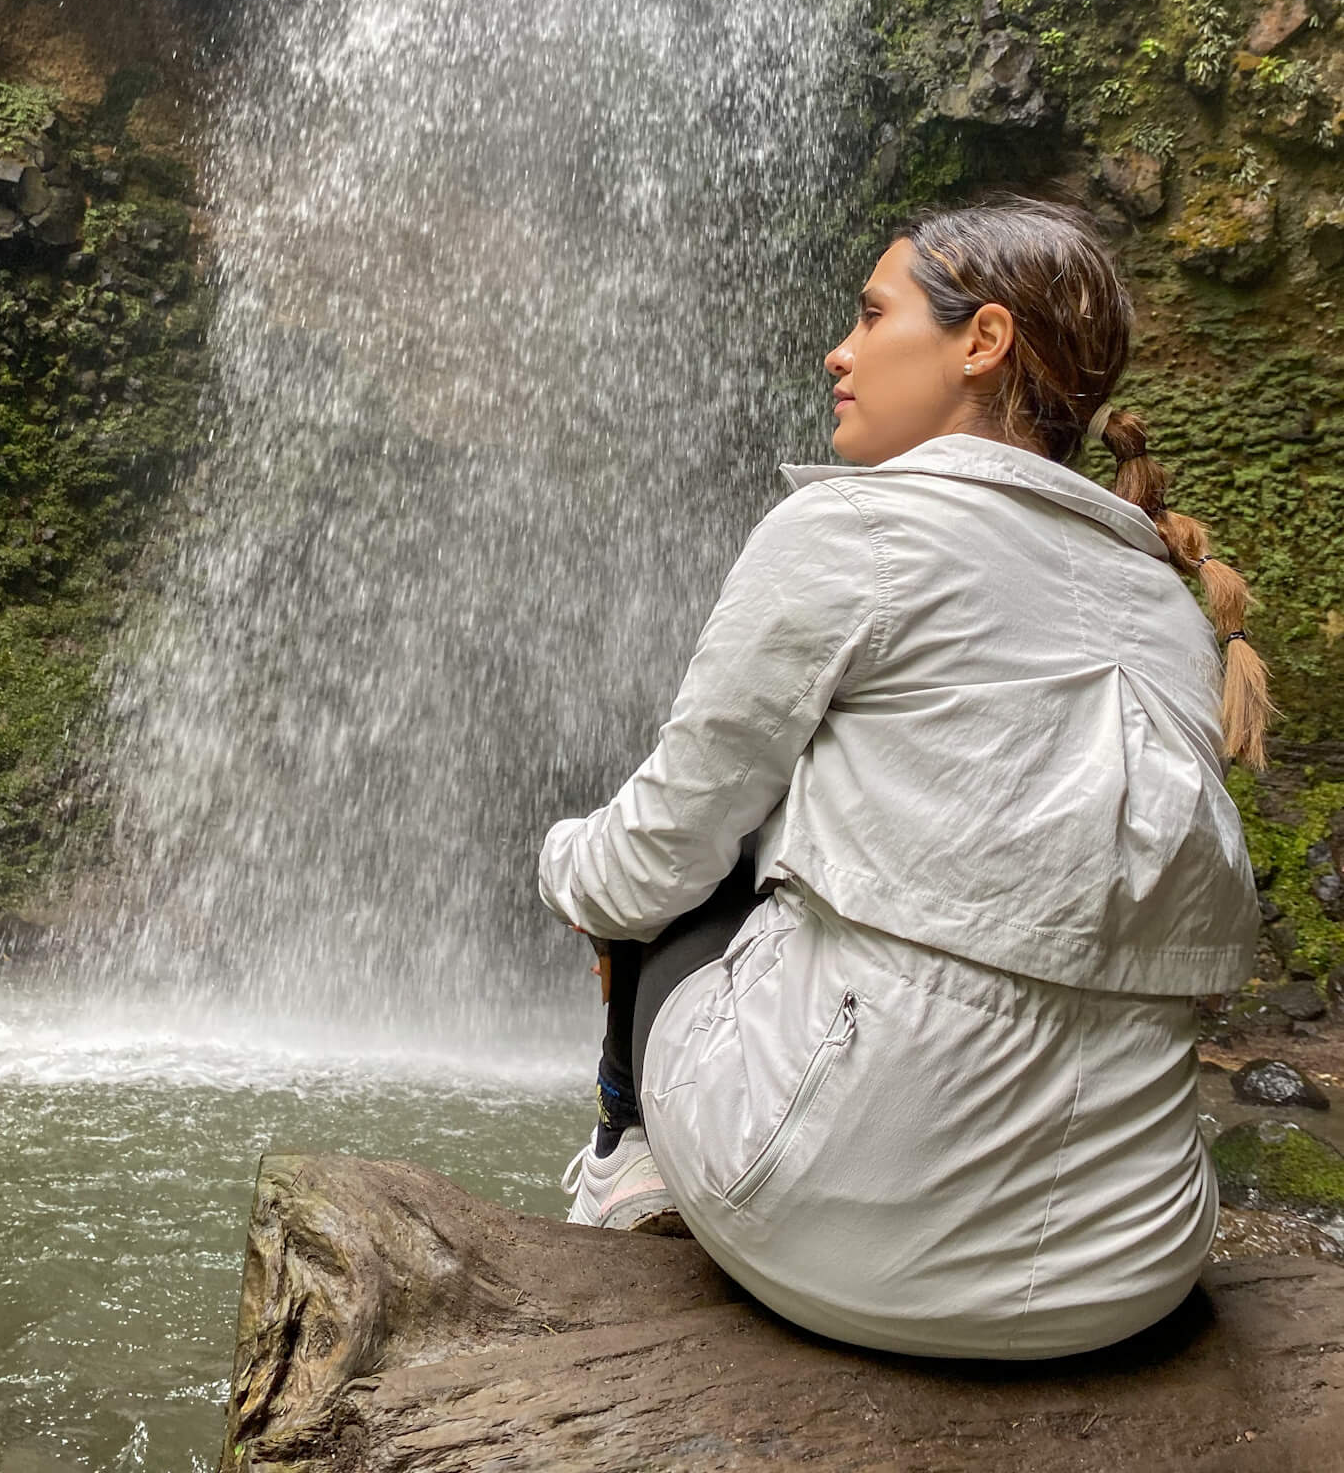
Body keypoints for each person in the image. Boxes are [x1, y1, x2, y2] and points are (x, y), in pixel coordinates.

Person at [538, 196, 1268, 1361]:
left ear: (979, 341)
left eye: (870, 313)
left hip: (839, 1234)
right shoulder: (1164, 606)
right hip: (1130, 1269)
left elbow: (647, 864)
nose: (838, 347)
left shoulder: (851, 529)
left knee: (688, 848)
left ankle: (625, 1161)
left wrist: (559, 858)